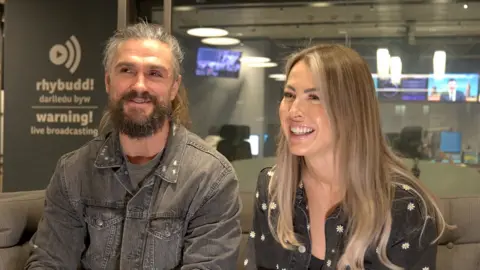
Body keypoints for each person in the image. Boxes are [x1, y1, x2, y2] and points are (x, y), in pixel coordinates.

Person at [25, 22, 242, 270]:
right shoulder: (72, 172)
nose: (139, 85)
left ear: (173, 87)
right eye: (127, 70)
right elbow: (49, 262)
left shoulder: (211, 178)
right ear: (108, 81)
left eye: (154, 73)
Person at [243, 44, 449, 270]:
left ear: (351, 110)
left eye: (314, 97)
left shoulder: (404, 207)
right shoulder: (272, 186)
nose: (294, 111)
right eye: (289, 95)